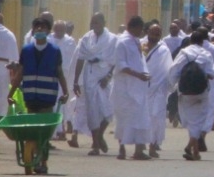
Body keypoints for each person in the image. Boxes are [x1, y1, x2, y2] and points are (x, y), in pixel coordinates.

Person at [168, 28, 214, 161]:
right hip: (201, 92)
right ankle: (192, 148)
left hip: (184, 92)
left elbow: (173, 71)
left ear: (190, 41)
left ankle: (193, 149)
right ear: (202, 42)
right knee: (199, 120)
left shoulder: (183, 53)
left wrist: (173, 86)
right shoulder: (206, 54)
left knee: (190, 121)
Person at [73, 13, 115, 155]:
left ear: (104, 23)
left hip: (105, 75)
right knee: (92, 110)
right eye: (92, 23)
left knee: (108, 108)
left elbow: (116, 60)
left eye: (97, 22)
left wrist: (108, 76)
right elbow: (80, 59)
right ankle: (95, 144)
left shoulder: (112, 39)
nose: (94, 25)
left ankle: (100, 134)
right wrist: (75, 81)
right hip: (90, 74)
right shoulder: (86, 38)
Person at [111, 16, 151, 160]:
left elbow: (140, 61)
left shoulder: (136, 42)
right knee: (124, 119)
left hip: (138, 88)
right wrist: (138, 75)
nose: (142, 32)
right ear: (134, 27)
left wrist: (144, 75)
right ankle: (121, 149)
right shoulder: (122, 42)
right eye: (140, 29)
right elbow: (121, 65)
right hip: (125, 88)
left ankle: (139, 150)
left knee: (140, 118)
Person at [13, 17, 68, 116]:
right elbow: (20, 73)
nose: (39, 29)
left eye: (42, 27)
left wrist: (66, 93)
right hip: (30, 100)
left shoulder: (54, 51)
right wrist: (11, 94)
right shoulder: (26, 51)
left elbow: (60, 74)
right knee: (32, 128)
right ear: (33, 31)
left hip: (47, 100)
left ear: (48, 31)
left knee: (44, 128)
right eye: (36, 27)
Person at [144, 22, 173, 158]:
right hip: (142, 88)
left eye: (157, 34)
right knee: (144, 117)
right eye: (152, 33)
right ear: (147, 32)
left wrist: (167, 86)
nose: (154, 36)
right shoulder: (140, 45)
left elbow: (168, 69)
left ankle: (153, 144)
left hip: (159, 90)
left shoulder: (163, 50)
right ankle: (143, 144)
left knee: (156, 117)